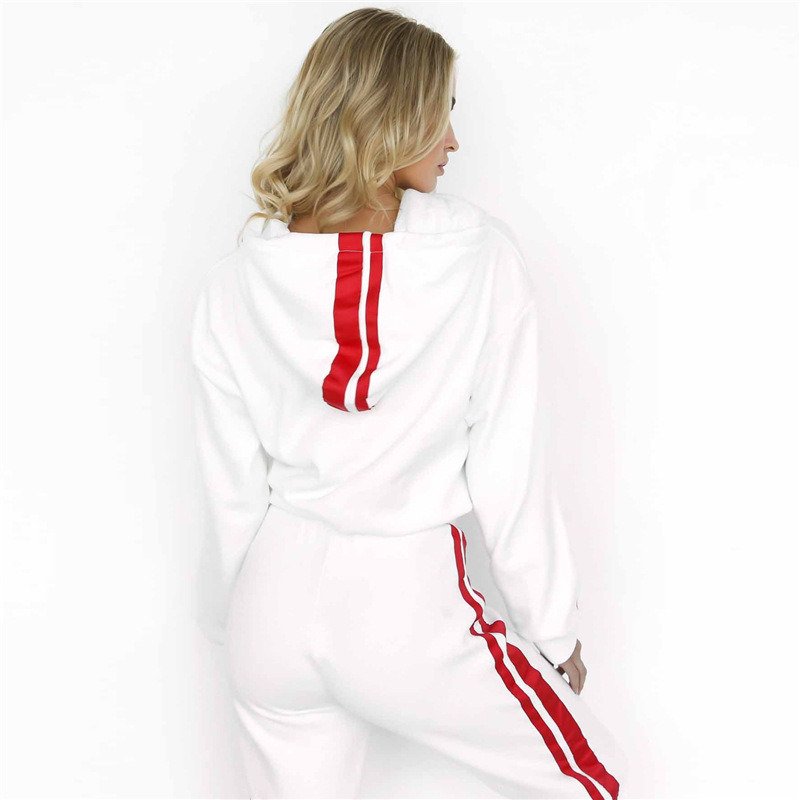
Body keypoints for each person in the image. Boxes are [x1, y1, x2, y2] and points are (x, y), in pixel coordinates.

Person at [189, 7, 628, 799]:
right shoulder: (478, 258)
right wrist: (553, 627)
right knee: (596, 782)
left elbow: (229, 487)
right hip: (402, 602)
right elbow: (510, 462)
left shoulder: (235, 278)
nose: (453, 141)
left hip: (269, 606)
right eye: (441, 113)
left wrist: (234, 621)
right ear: (390, 118)